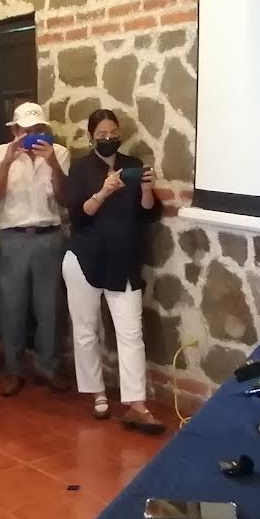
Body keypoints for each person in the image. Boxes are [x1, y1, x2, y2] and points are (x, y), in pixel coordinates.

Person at [63, 109, 164, 433]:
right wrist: (104, 191)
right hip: (85, 259)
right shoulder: (80, 169)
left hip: (123, 261)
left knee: (131, 333)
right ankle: (97, 393)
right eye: (102, 134)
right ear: (91, 136)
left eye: (113, 133)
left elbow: (148, 214)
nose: (108, 138)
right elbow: (79, 215)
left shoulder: (132, 164)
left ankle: (136, 403)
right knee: (86, 330)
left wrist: (146, 189)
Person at [0, 102, 70, 396]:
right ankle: (13, 369)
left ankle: (48, 367)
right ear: (15, 130)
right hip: (12, 238)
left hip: (49, 236)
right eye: (26, 130)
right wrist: (8, 162)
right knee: (11, 306)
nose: (32, 136)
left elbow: (65, 197)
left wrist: (53, 163)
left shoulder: (59, 153)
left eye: (38, 130)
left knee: (50, 307)